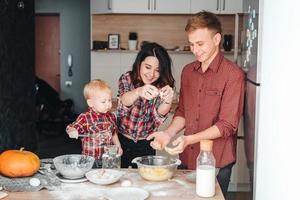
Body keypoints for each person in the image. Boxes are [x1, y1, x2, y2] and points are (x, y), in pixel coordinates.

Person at [147, 11, 245, 198]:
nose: (195, 50)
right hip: (187, 158)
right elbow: (183, 111)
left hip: (216, 162)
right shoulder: (188, 72)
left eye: (200, 44)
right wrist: (168, 133)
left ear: (216, 39)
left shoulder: (233, 76)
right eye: (191, 44)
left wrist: (189, 139)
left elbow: (227, 126)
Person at [117, 42, 175, 168]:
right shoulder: (127, 78)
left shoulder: (162, 84)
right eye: (147, 67)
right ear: (139, 64)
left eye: (157, 70)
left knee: (145, 181)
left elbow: (160, 114)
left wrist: (168, 99)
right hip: (121, 141)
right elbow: (124, 101)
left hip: (146, 143)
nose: (151, 74)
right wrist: (139, 91)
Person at [66, 79, 122, 167]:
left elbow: (114, 133)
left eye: (110, 100)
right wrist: (73, 131)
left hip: (108, 158)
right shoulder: (85, 117)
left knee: (107, 177)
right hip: (90, 160)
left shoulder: (111, 116)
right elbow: (72, 127)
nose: (108, 104)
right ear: (90, 103)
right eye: (103, 101)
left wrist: (118, 146)